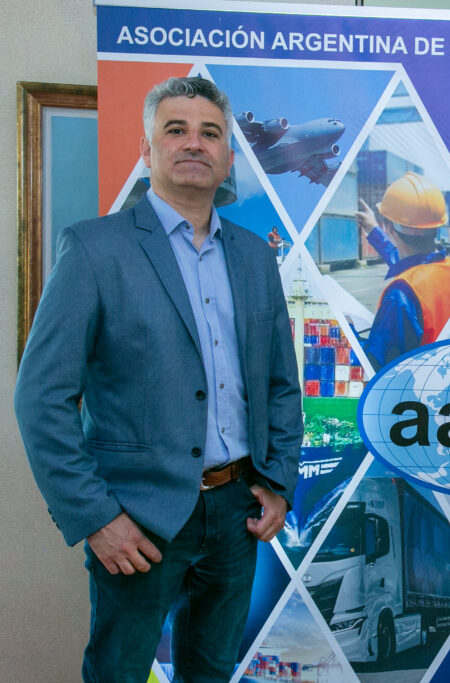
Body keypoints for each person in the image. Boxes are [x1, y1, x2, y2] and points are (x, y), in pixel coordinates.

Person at [13, 76, 302, 682]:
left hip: (238, 513)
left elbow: (279, 383)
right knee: (118, 673)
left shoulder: (255, 256)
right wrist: (95, 517)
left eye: (210, 133)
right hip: (136, 516)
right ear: (147, 150)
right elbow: (41, 397)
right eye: (176, 130)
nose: (194, 143)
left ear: (227, 157)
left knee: (211, 672)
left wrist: (277, 482)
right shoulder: (94, 250)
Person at [354, 172, 450, 369]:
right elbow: (407, 263)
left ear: (389, 227)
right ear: (436, 227)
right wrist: (373, 230)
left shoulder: (400, 295)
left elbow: (376, 365)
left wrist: (347, 334)